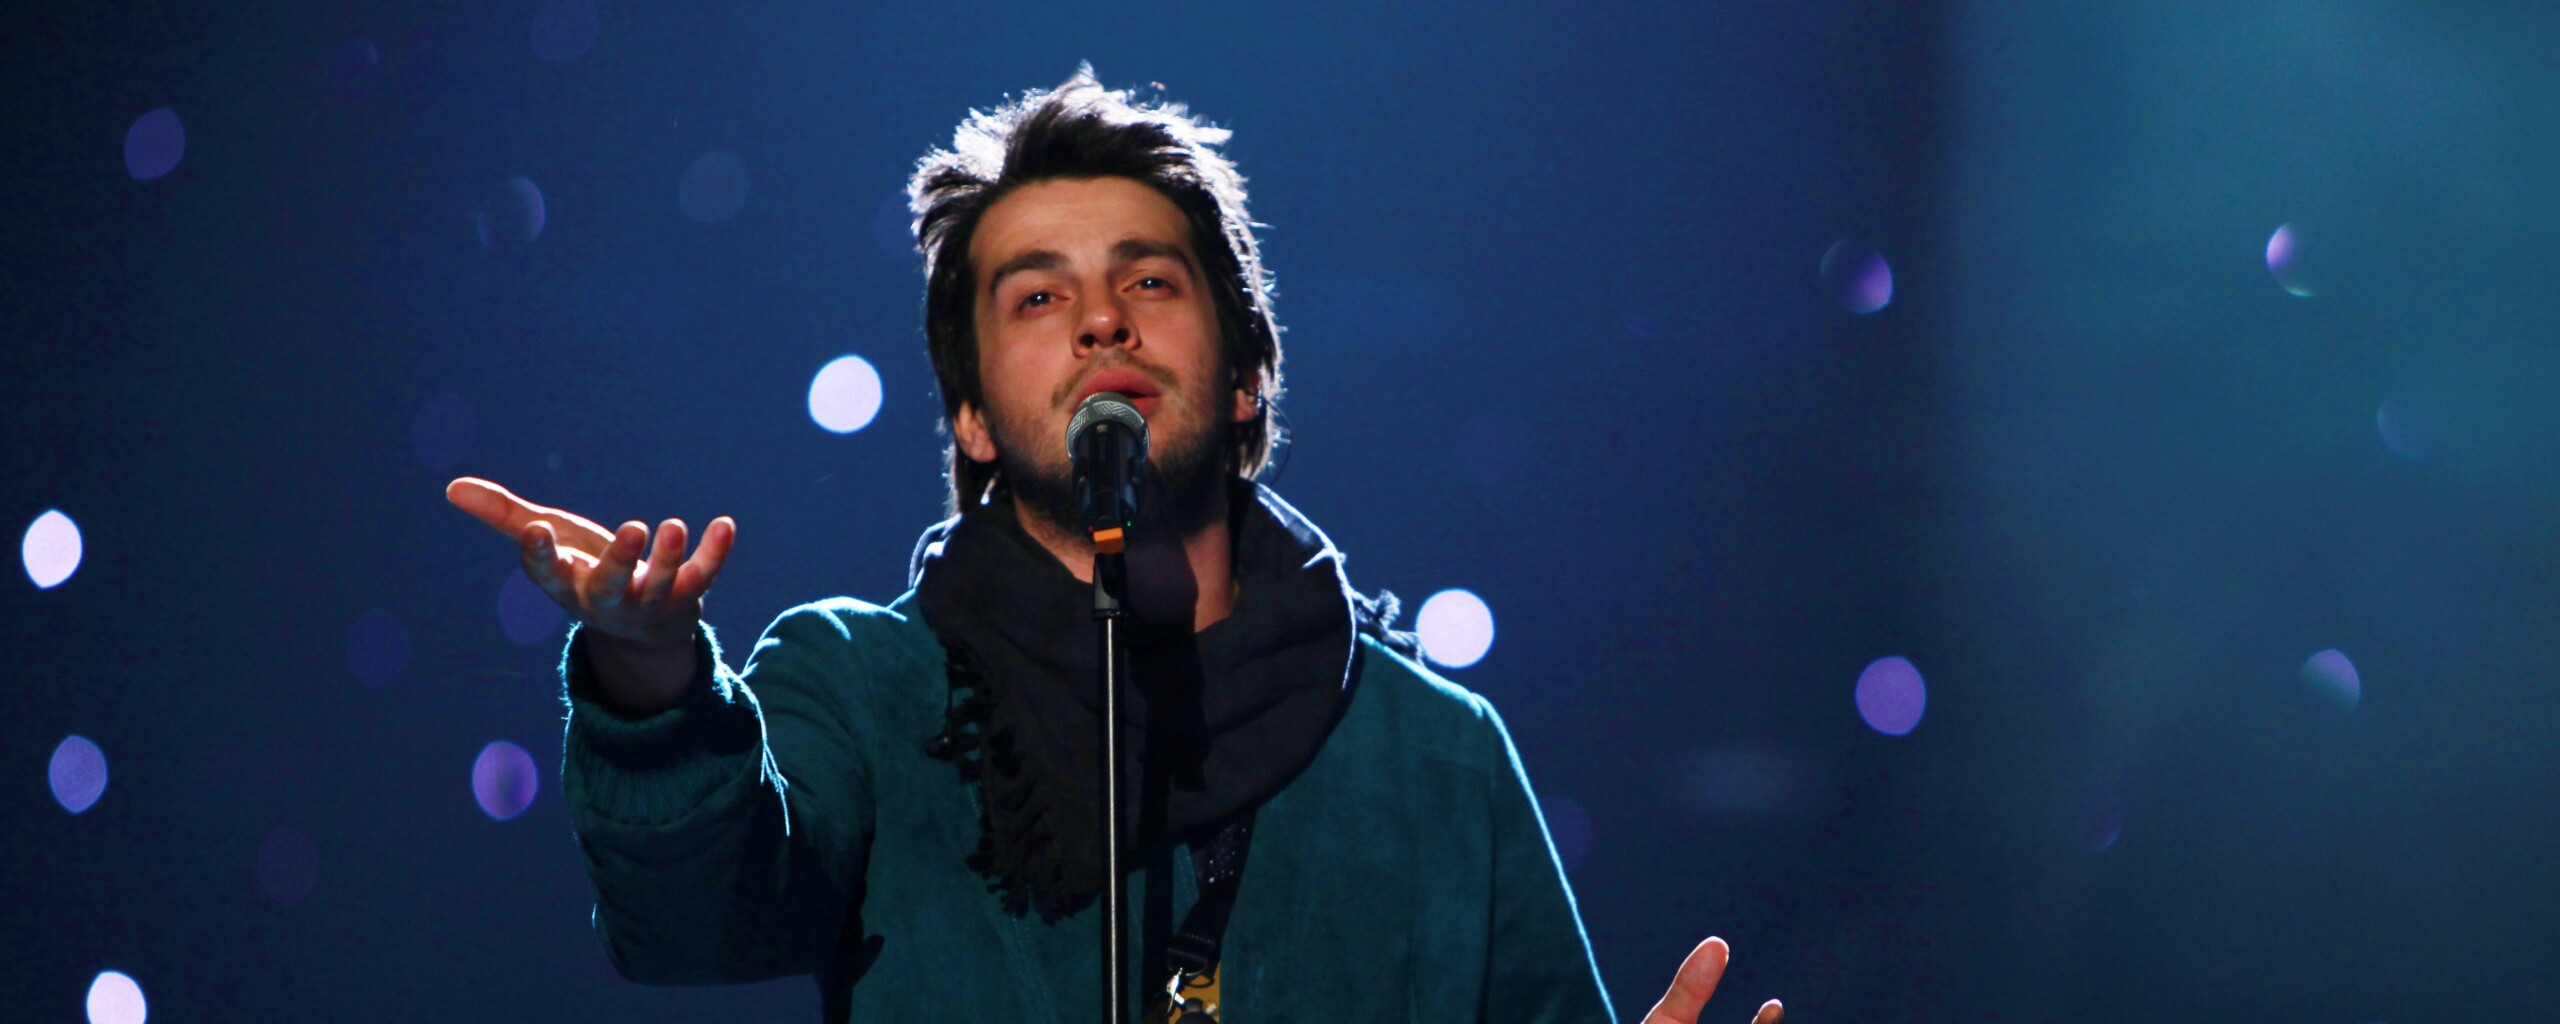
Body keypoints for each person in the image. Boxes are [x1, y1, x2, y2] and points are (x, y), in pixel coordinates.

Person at [447, 68, 1782, 1024]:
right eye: (1037, 296)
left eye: (1148, 279)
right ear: (972, 415)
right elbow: (689, 928)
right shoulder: (861, 689)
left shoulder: (1436, 756)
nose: (1101, 320)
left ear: (1246, 376)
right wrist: (649, 680)